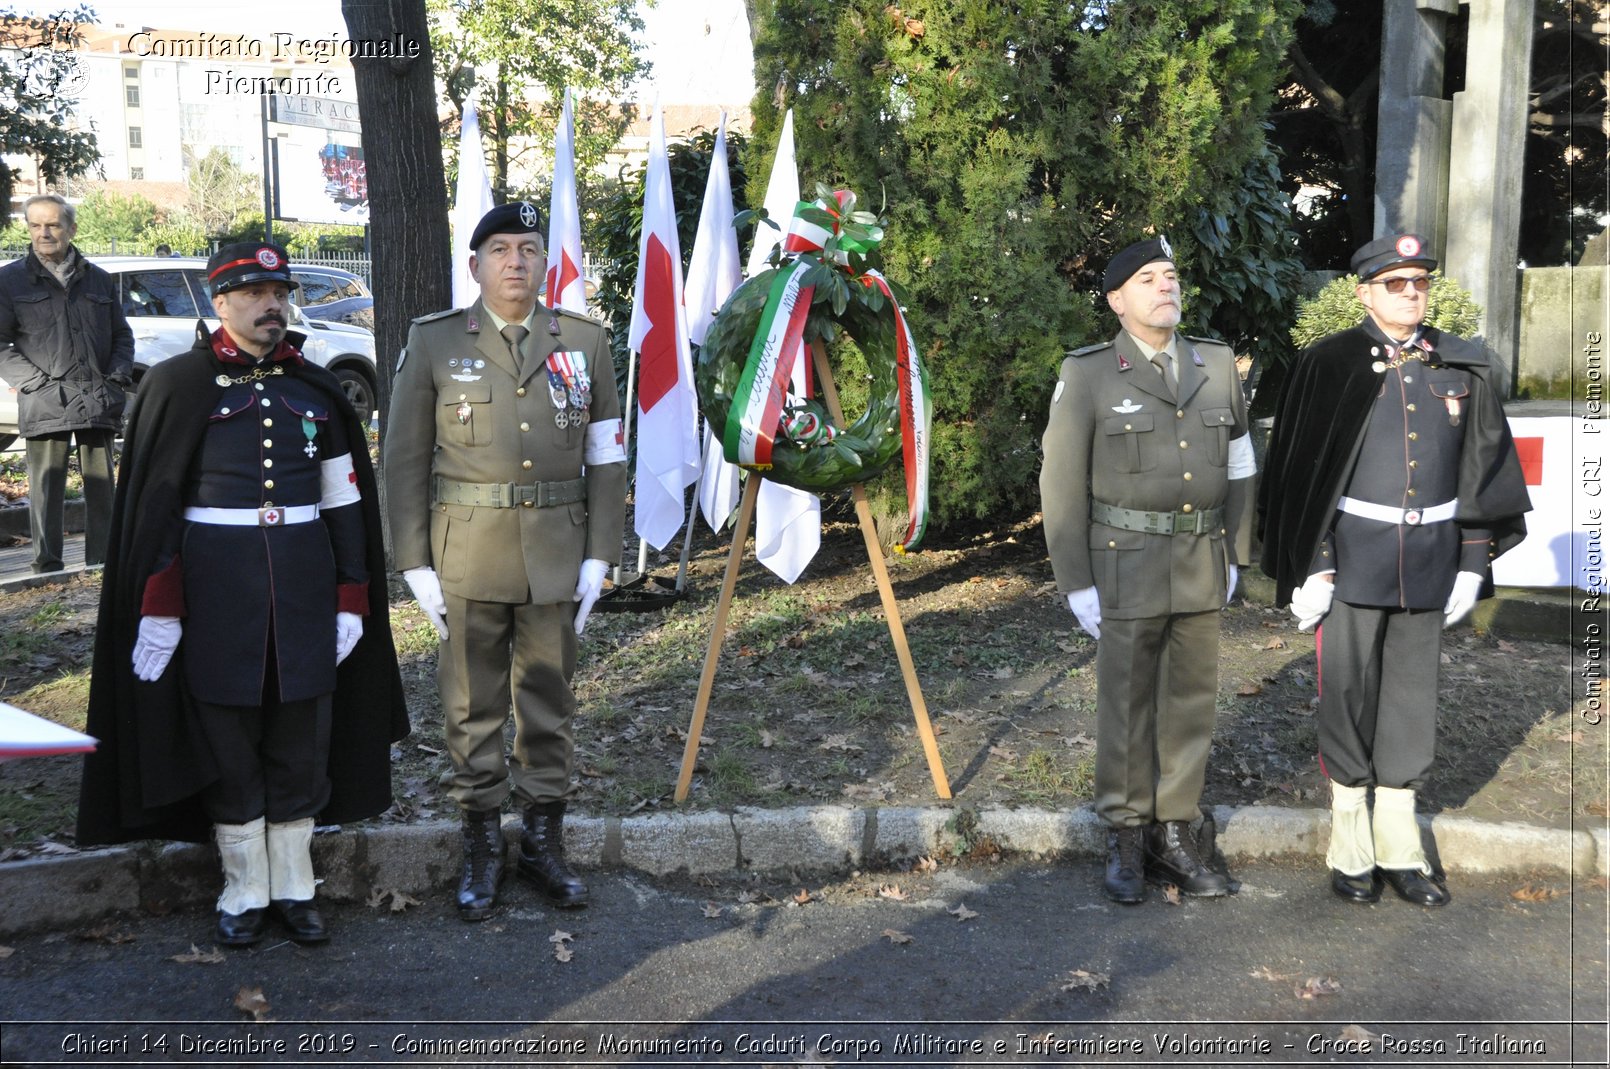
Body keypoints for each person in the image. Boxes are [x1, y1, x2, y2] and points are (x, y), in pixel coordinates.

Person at [76, 242, 408, 948]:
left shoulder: (314, 390)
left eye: (279, 291)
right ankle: (244, 886)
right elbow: (156, 508)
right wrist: (161, 607)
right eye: (253, 293)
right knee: (226, 740)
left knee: (300, 741)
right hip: (216, 597)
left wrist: (352, 597)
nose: (271, 305)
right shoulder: (175, 385)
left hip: (302, 597)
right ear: (220, 301)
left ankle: (294, 885)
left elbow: (344, 501)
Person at [1258, 233, 1529, 908]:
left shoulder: (1461, 364)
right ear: (1364, 292)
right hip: (1354, 560)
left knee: (1410, 701)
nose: (1410, 294)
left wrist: (1472, 561)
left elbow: (1484, 469)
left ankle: (1401, 847)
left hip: (1432, 561)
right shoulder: (1328, 365)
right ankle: (1351, 846)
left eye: (1418, 283)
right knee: (1347, 695)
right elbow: (1301, 474)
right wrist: (1315, 567)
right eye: (1395, 284)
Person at [385, 201, 626, 921]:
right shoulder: (433, 343)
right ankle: (483, 840)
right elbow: (403, 459)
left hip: (556, 548)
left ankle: (545, 838)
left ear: (543, 261)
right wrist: (415, 562)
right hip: (467, 550)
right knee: (471, 702)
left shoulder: (583, 341)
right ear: (476, 266)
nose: (514, 261)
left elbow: (606, 453)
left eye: (527, 248)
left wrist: (601, 553)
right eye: (499, 250)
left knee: (549, 697)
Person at [1040, 236, 1256, 904]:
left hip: (1198, 558)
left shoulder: (1216, 365)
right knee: (1127, 701)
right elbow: (1061, 483)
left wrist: (1236, 553)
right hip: (1123, 563)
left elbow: (1244, 464)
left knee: (1191, 701)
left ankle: (1174, 831)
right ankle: (1127, 833)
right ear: (1116, 300)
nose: (1165, 285)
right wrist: (1075, 579)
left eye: (1170, 274)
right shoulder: (1091, 373)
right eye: (1146, 278)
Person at [0, 194, 134, 574]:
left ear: (71, 229)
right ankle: (47, 566)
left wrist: (117, 377)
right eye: (35, 225)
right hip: (45, 400)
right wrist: (34, 384)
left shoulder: (99, 279)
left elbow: (122, 336)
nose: (44, 233)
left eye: (53, 225)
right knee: (45, 487)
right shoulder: (9, 280)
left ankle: (103, 564)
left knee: (101, 486)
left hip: (96, 396)